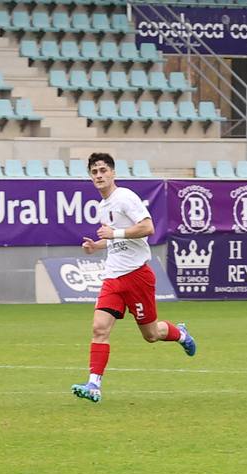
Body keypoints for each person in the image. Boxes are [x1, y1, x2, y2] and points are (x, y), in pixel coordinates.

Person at [73, 151, 196, 403]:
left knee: (150, 334)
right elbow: (117, 241)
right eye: (94, 172)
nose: (99, 175)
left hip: (137, 276)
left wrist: (114, 233)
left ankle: (180, 334)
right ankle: (94, 385)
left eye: (103, 170)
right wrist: (98, 245)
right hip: (113, 278)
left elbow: (147, 227)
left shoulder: (125, 197)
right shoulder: (102, 205)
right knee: (99, 328)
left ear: (113, 173)